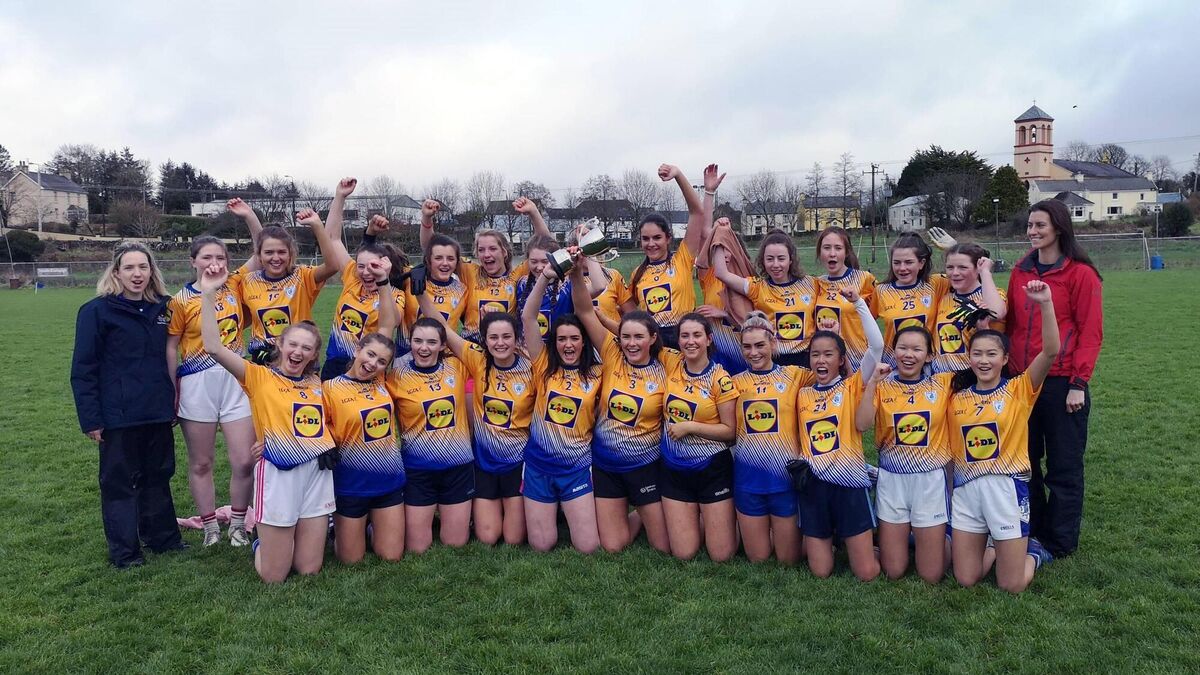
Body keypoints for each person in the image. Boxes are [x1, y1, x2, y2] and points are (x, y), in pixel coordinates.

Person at [197, 265, 336, 584]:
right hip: (279, 474)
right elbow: (214, 348)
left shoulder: (318, 384)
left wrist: (329, 444)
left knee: (309, 569)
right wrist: (208, 294)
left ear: (314, 355)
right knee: (274, 576)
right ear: (281, 345)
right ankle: (262, 542)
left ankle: (287, 538)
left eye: (306, 348)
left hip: (316, 474)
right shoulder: (259, 377)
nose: (298, 352)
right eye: (293, 345)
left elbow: (326, 423)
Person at [71, 242, 186, 569]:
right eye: (130, 268)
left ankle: (163, 538)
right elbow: (83, 368)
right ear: (116, 272)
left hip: (157, 411)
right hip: (118, 416)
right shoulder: (96, 312)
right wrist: (91, 419)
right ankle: (125, 552)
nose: (137, 274)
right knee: (120, 484)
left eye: (143, 267)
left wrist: (171, 403)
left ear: (152, 271)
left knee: (158, 476)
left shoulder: (163, 309)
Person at [949, 280, 1060, 593]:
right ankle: (996, 546)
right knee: (966, 578)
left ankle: (1033, 553)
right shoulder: (955, 396)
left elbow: (1051, 351)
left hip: (1006, 489)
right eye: (977, 354)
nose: (984, 361)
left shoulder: (1019, 389)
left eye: (992, 354)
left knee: (1011, 585)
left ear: (1004, 359)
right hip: (967, 490)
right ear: (969, 357)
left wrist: (1045, 303)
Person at [1008, 199, 1103, 559]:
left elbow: (1090, 333)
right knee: (1025, 462)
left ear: (1059, 228)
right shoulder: (1021, 270)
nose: (1032, 231)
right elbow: (1012, 324)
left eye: (1040, 225)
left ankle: (1060, 542)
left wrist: (1078, 383)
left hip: (1063, 383)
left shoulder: (1081, 274)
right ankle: (1032, 531)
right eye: (1030, 225)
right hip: (1023, 382)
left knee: (1063, 467)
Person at [572, 262, 674, 554]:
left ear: (653, 339)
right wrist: (577, 272)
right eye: (626, 337)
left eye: (639, 337)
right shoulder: (612, 353)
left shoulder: (667, 365)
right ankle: (637, 512)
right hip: (606, 466)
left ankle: (652, 509)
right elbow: (583, 311)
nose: (631, 344)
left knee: (664, 546)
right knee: (613, 546)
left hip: (645, 467)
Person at [418, 292, 532, 546]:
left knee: (514, 539)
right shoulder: (477, 359)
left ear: (517, 339)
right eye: (493, 337)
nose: (500, 343)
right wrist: (420, 293)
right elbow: (444, 328)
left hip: (518, 464)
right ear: (484, 340)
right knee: (488, 536)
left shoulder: (532, 369)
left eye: (506, 337)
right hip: (484, 464)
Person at [166, 232, 258, 547]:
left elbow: (260, 250)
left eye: (220, 257)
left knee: (244, 461)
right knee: (201, 462)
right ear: (192, 261)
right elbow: (171, 346)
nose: (214, 263)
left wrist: (248, 217)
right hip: (196, 384)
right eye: (207, 257)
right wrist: (171, 389)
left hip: (236, 381)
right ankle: (210, 527)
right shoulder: (179, 300)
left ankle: (237, 525)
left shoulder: (235, 284)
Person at [795, 285, 885, 581]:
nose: (821, 360)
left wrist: (858, 303)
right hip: (814, 487)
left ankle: (878, 544)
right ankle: (836, 539)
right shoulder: (802, 393)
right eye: (815, 355)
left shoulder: (851, 386)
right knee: (820, 572)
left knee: (867, 573)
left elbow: (876, 346)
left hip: (849, 484)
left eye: (828, 354)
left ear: (841, 359)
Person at [323, 256, 407, 564]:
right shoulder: (329, 388)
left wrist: (384, 281)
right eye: (370, 355)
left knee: (391, 555)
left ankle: (375, 526)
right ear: (358, 349)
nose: (373, 364)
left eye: (381, 361)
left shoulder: (383, 381)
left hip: (388, 480)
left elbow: (387, 323)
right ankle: (343, 526)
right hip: (350, 485)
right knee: (350, 560)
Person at [855, 326, 952, 583]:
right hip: (892, 480)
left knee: (931, 575)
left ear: (929, 356)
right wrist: (872, 383)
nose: (909, 355)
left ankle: (951, 537)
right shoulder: (882, 385)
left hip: (929, 481)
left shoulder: (943, 384)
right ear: (893, 351)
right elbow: (862, 424)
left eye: (917, 349)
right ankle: (908, 536)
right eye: (903, 348)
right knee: (894, 571)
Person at [520, 267, 602, 554]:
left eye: (574, 338)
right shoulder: (543, 365)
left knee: (588, 546)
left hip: (576, 468)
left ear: (584, 341)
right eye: (562, 339)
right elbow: (528, 317)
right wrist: (544, 276)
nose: (568, 344)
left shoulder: (598, 373)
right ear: (554, 343)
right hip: (538, 466)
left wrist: (579, 271)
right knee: (542, 545)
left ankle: (641, 512)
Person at [728, 311, 814, 564]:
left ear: (773, 344)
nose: (753, 352)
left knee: (788, 559)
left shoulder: (795, 375)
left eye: (760, 345)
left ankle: (824, 537)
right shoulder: (733, 383)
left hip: (784, 480)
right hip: (748, 480)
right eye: (747, 347)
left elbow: (839, 378)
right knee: (758, 558)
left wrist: (833, 332)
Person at [386, 316, 474, 553]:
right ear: (410, 342)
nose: (424, 348)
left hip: (458, 466)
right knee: (417, 547)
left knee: (455, 543)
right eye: (418, 341)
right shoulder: (395, 375)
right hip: (418, 469)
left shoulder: (457, 366)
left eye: (432, 342)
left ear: (443, 345)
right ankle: (379, 525)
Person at [660, 312, 739, 562]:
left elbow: (730, 432)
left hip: (712, 468)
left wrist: (690, 427)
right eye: (684, 336)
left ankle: (730, 518)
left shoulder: (721, 379)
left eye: (697, 335)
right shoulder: (671, 361)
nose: (690, 341)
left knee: (721, 556)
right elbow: (637, 335)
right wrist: (598, 314)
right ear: (678, 340)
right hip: (674, 468)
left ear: (709, 339)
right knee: (684, 553)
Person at [419, 197, 550, 342]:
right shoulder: (470, 272)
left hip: (502, 346)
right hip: (471, 347)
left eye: (492, 249)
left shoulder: (517, 275)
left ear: (504, 251)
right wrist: (427, 218)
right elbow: (432, 248)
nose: (486, 254)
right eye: (481, 250)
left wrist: (533, 212)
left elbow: (546, 246)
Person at [321, 179, 407, 380]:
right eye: (361, 266)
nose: (366, 272)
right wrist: (340, 196)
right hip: (334, 365)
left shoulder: (394, 294)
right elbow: (332, 238)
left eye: (373, 266)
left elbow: (393, 322)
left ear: (385, 266)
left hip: (369, 368)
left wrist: (383, 281)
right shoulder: (353, 278)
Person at [622, 163, 711, 349]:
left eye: (657, 237)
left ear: (668, 238)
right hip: (653, 345)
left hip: (684, 340)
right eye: (645, 239)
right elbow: (627, 310)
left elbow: (697, 212)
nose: (651, 243)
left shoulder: (682, 260)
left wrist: (677, 174)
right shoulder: (638, 274)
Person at [238, 206, 344, 358]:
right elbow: (242, 319)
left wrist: (317, 225)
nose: (276, 258)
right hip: (263, 360)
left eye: (281, 252)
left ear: (290, 254)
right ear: (259, 256)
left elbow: (332, 266)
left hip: (299, 357)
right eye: (269, 252)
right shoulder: (248, 281)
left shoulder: (302, 276)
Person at [711, 227, 817, 368]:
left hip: (805, 360)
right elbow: (721, 273)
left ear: (791, 259)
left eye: (781, 258)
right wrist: (719, 235)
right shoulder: (758, 287)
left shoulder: (810, 284)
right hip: (773, 362)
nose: (775, 264)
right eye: (770, 259)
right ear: (763, 261)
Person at [870, 234, 950, 368]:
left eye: (908, 262)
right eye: (896, 262)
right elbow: (866, 326)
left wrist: (954, 248)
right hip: (893, 366)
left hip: (928, 366)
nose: (902, 268)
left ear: (921, 263)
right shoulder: (881, 291)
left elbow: (970, 274)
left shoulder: (936, 284)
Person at [929, 243, 1006, 374]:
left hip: (975, 377)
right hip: (941, 378)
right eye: (950, 267)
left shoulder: (992, 295)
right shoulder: (944, 298)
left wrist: (985, 272)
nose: (955, 273)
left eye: (963, 267)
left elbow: (997, 312)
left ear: (978, 268)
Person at [812, 226, 876, 372]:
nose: (832, 253)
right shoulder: (817, 284)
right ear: (820, 252)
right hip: (827, 365)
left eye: (838, 248)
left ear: (846, 252)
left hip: (859, 363)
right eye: (826, 248)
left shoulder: (864, 279)